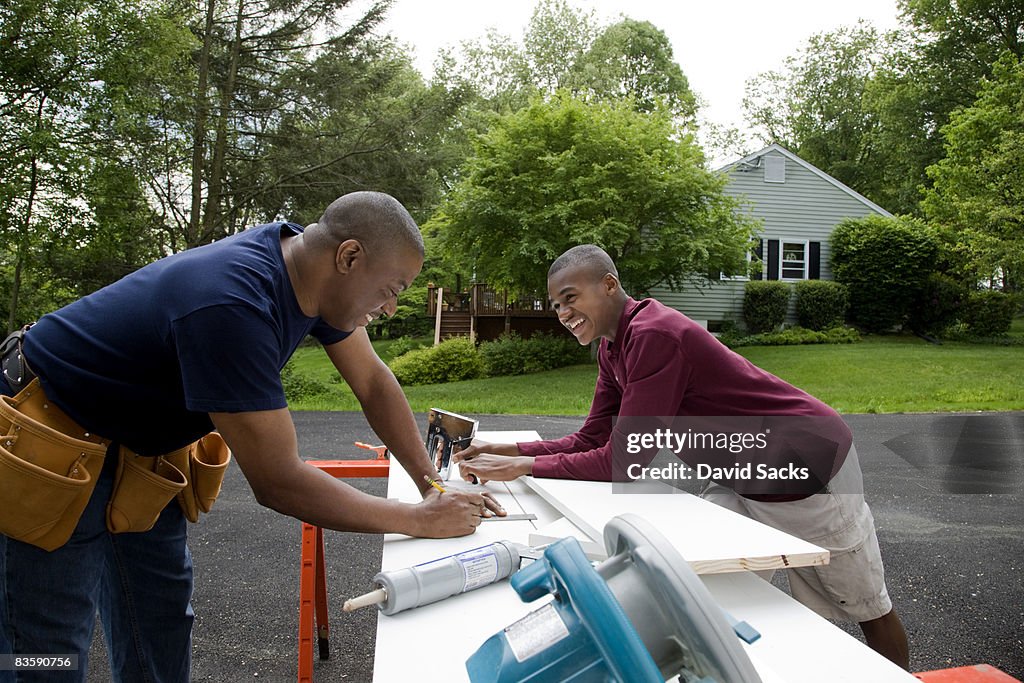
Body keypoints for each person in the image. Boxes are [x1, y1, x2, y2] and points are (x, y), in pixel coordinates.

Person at [0, 191, 502, 682]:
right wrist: (420, 520)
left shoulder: (311, 274)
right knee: (46, 646)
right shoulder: (231, 304)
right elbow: (278, 480)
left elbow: (372, 382)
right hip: (49, 438)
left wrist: (431, 484)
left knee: (159, 619)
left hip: (136, 451)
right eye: (392, 288)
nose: (391, 307)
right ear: (350, 256)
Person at [456, 244, 909, 669]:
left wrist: (527, 465)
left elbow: (623, 463)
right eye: (556, 305)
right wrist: (511, 449)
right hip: (738, 473)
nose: (562, 313)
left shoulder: (656, 336)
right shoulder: (614, 349)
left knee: (864, 604)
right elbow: (592, 438)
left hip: (805, 468)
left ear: (609, 285)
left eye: (570, 298)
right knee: (708, 593)